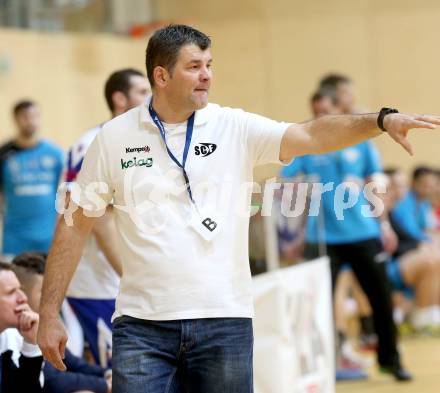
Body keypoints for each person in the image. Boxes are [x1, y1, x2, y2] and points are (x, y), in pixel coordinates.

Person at [37, 24, 440, 392]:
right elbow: (74, 223)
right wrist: (49, 311)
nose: (207, 75)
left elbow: (310, 133)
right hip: (142, 326)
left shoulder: (234, 126)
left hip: (224, 321)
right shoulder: (113, 138)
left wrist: (382, 120)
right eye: (194, 66)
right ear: (161, 76)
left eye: (209, 64)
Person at [280, 87, 413, 380]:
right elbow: (287, 185)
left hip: (362, 233)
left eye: (324, 111)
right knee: (319, 305)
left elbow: (375, 183)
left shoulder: (361, 143)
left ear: (338, 109)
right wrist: (294, 235)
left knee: (381, 298)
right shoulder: (306, 145)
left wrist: (385, 225)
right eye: (315, 112)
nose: (319, 117)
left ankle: (390, 359)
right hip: (322, 238)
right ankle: (326, 361)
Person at [65, 68, 150, 367]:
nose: (150, 97)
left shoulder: (145, 141)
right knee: (116, 374)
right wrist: (137, 279)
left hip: (128, 283)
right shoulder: (92, 143)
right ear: (119, 98)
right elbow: (96, 220)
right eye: (142, 91)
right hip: (97, 285)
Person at [11, 252, 112, 393]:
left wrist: (109, 374)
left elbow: (74, 363)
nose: (53, 298)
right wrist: (104, 385)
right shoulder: (15, 330)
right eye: (44, 291)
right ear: (21, 294)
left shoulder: (44, 322)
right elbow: (53, 380)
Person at [0, 100, 64, 258]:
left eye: (35, 116)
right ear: (16, 119)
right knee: (13, 283)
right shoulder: (4, 155)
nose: (31, 121)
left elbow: (64, 196)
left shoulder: (55, 154)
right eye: (25, 117)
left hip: (48, 239)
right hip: (15, 239)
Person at [385, 168, 440, 331]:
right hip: (393, 263)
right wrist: (424, 244)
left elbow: (426, 233)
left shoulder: (421, 204)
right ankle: (421, 316)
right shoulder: (399, 206)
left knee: (435, 256)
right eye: (395, 186)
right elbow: (409, 239)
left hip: (407, 256)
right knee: (432, 259)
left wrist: (429, 242)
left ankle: (429, 312)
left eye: (432, 185)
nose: (429, 188)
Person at [0, 261, 42, 392]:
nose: (23, 298)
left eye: (20, 289)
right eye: (11, 292)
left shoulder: (5, 336)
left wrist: (31, 343)